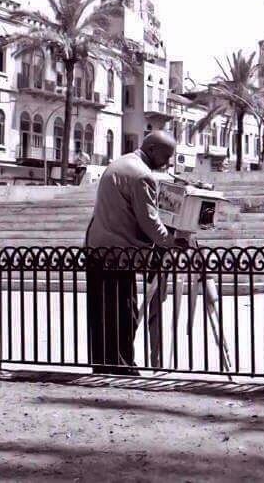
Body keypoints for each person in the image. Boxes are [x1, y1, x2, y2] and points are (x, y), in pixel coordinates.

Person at [85, 131, 178, 375]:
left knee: (101, 311)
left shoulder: (120, 163)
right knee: (123, 312)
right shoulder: (141, 175)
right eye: (166, 155)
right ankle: (122, 366)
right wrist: (172, 241)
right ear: (152, 148)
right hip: (118, 253)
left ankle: (103, 363)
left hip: (98, 247)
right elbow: (149, 221)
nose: (168, 161)